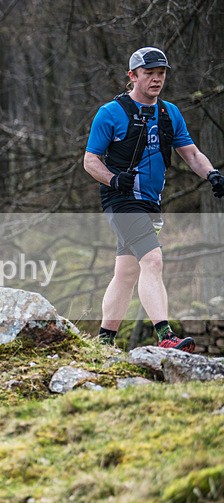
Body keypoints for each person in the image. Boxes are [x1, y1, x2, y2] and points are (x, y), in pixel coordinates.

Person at [84, 47, 224, 352]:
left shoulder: (169, 113)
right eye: (149, 73)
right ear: (132, 76)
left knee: (126, 273)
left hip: (150, 202)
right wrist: (113, 179)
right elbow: (90, 160)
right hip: (121, 200)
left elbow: (191, 154)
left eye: (161, 73)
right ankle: (165, 335)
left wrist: (212, 174)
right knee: (152, 259)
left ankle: (104, 343)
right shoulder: (111, 113)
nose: (157, 79)